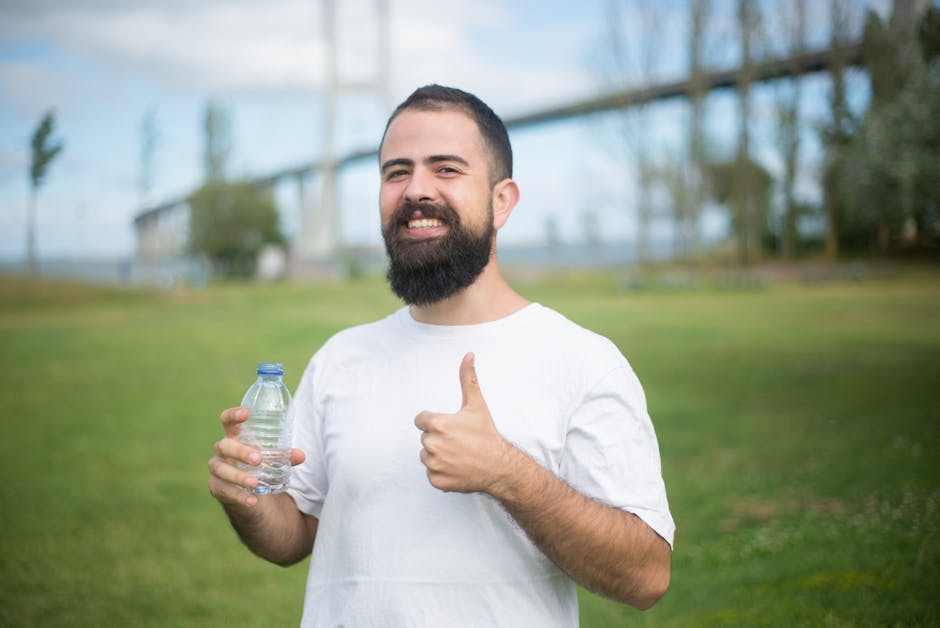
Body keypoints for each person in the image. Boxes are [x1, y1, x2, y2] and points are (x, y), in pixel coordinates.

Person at [208, 84, 674, 626]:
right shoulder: (341, 358)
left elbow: (646, 576)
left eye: (446, 169)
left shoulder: (583, 361)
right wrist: (247, 498)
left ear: (502, 201)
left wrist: (507, 473)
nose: (415, 190)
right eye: (396, 172)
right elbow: (293, 535)